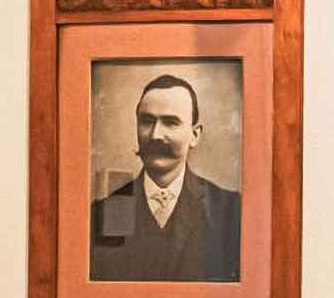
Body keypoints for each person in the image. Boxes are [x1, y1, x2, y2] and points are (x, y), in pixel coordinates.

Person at [90, 73, 242, 282]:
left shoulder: (230, 211)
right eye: (147, 121)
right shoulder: (104, 213)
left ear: (195, 135)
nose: (155, 135)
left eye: (171, 123)